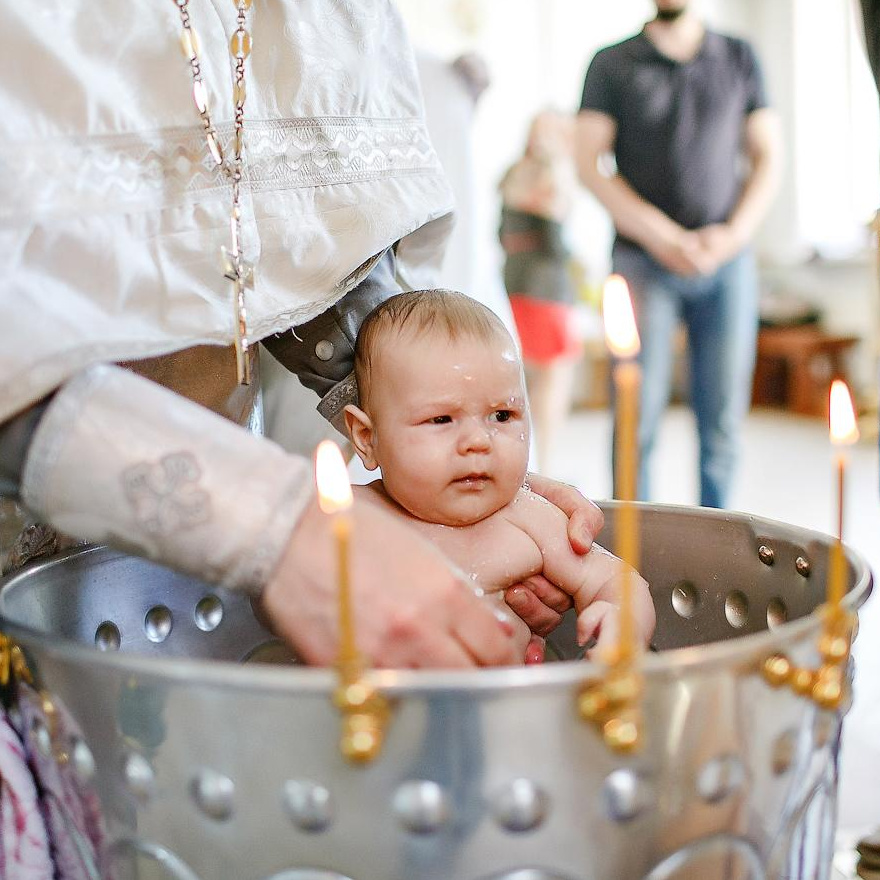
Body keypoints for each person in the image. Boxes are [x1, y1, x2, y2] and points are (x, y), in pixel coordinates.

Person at [0, 3, 603, 670]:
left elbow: (299, 212)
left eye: (504, 415)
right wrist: (272, 526)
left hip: (210, 471)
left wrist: (431, 430)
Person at [343, 289, 656, 662]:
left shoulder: (528, 519)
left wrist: (622, 624)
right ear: (366, 438)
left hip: (508, 714)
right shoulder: (352, 518)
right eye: (441, 419)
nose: (478, 441)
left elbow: (618, 582)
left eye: (502, 415)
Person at [576, 0, 782, 508]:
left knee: (722, 422)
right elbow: (589, 164)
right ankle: (631, 551)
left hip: (727, 262)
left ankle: (717, 546)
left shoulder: (739, 56)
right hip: (641, 261)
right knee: (634, 418)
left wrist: (731, 237)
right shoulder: (610, 61)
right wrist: (663, 237)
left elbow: (769, 156)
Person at [499, 110, 584, 474]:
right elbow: (555, 244)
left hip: (516, 283)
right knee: (554, 376)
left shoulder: (512, 176)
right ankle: (544, 460)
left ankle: (531, 458)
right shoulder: (552, 175)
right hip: (548, 289)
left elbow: (500, 236)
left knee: (530, 376)